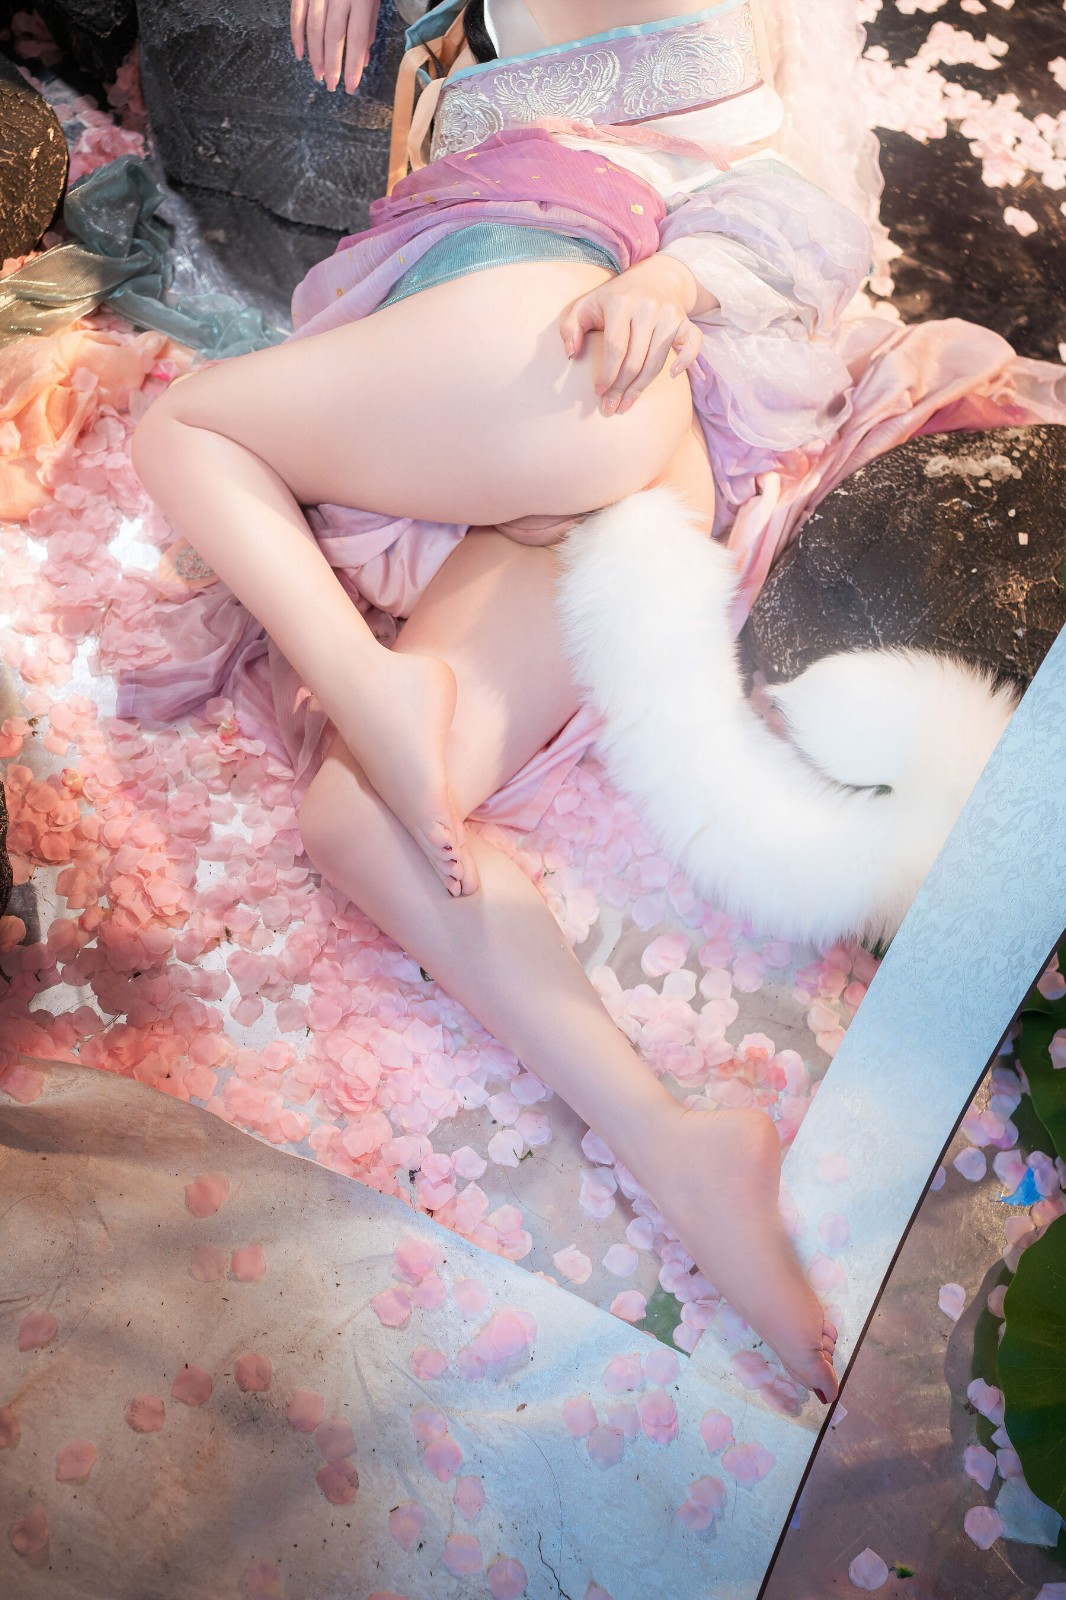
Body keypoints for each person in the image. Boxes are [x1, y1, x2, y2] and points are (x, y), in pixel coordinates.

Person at [128, 0, 1041, 1404]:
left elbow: (796, 187)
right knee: (356, 822)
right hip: (600, 441)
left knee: (184, 424)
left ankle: (367, 675)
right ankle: (673, 1141)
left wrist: (677, 278)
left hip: (554, 354)